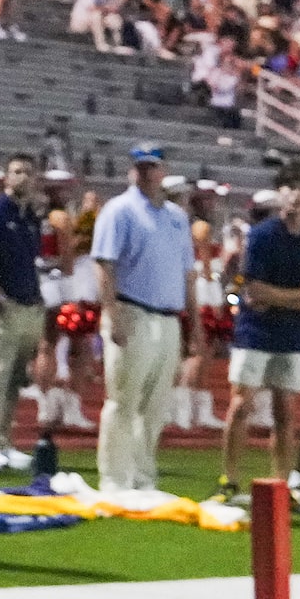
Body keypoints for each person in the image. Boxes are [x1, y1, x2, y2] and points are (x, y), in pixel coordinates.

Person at [217, 172, 300, 505]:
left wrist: (280, 298)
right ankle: (229, 479)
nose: (296, 195)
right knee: (241, 405)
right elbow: (253, 291)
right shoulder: (263, 235)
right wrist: (298, 297)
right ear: (281, 193)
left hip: (292, 335)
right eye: (291, 188)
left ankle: (281, 486)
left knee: (285, 412)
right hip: (256, 331)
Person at [91, 143, 195, 494]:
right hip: (132, 309)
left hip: (167, 317)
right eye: (142, 167)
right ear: (133, 171)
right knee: (124, 398)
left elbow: (186, 274)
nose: (148, 173)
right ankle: (115, 478)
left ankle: (143, 475)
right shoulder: (119, 211)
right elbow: (105, 264)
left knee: (155, 403)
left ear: (163, 171)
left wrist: (192, 323)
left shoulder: (177, 218)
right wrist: (111, 313)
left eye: (154, 166)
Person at [0, 156, 48, 472]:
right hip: (6, 305)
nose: (23, 177)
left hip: (28, 303)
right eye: (17, 171)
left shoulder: (30, 216)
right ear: (6, 177)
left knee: (16, 376)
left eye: (28, 172)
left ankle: (4, 439)